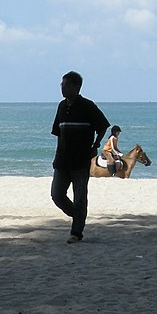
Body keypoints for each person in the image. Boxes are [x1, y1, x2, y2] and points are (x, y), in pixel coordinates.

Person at [50, 70, 109, 243]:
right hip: (62, 160)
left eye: (66, 85)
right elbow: (59, 132)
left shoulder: (87, 106)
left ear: (76, 87)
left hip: (80, 161)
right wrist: (57, 154)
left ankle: (76, 232)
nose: (62, 88)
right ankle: (78, 215)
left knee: (80, 196)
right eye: (62, 84)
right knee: (57, 194)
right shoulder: (61, 106)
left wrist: (96, 145)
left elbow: (103, 126)